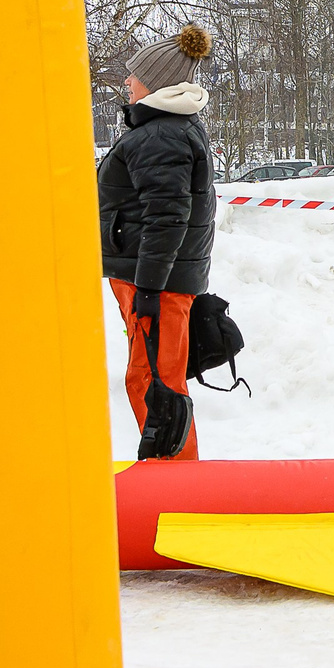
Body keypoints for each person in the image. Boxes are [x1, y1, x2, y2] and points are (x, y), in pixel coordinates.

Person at [97, 23, 217, 460]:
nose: (127, 82)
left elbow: (168, 217)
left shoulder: (161, 134)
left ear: (155, 82)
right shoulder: (165, 129)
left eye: (135, 75)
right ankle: (170, 479)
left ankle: (176, 488)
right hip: (153, 279)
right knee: (151, 379)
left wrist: (148, 287)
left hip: (156, 284)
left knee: (154, 383)